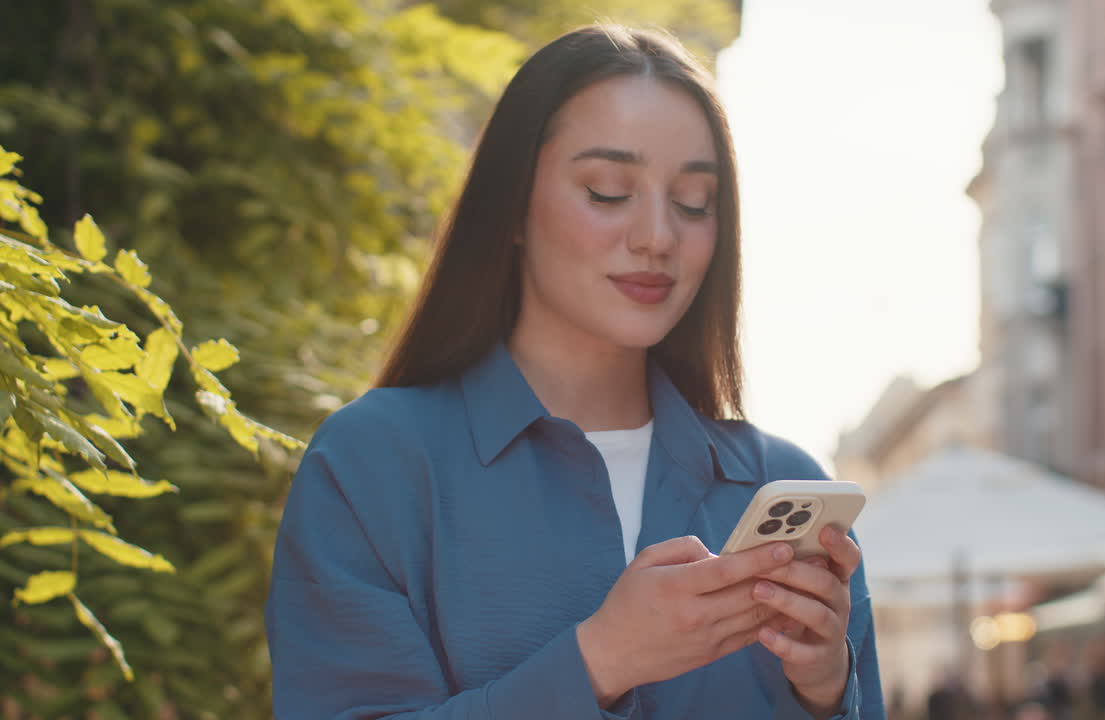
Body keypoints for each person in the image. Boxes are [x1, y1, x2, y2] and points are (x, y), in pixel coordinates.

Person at [263, 24, 885, 720]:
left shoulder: (783, 488)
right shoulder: (371, 467)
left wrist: (828, 693)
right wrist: (600, 662)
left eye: (693, 203)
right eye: (608, 190)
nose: (658, 236)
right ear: (513, 209)